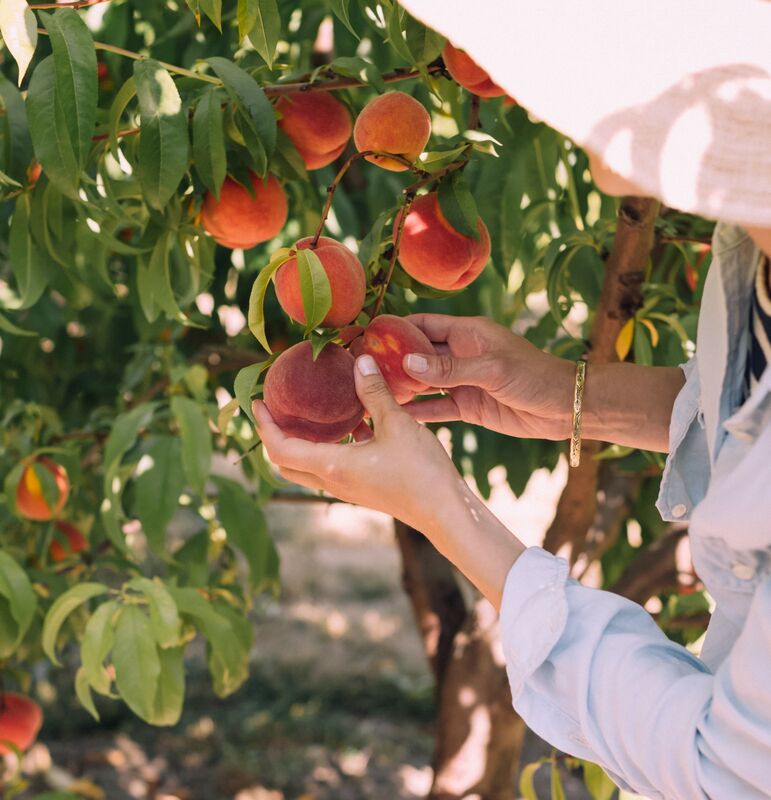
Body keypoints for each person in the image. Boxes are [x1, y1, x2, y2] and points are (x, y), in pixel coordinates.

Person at [254, 2, 771, 797]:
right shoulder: (752, 237)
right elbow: (749, 421)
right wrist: (566, 394)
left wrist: (442, 508)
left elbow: (724, 771)